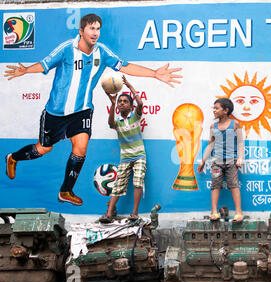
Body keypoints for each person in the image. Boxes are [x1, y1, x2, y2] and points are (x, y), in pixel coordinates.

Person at [4, 13, 181, 206]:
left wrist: (155, 74)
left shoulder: (102, 52)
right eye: (91, 29)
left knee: (80, 147)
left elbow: (126, 67)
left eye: (98, 29)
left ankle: (66, 190)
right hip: (56, 113)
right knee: (43, 148)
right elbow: (44, 64)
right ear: (81, 31)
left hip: (83, 110)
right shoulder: (66, 49)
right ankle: (13, 157)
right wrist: (26, 70)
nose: (95, 33)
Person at [99, 76, 145, 223]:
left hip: (139, 156)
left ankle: (135, 212)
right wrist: (112, 104)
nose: (122, 103)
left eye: (125, 101)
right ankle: (109, 213)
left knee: (138, 182)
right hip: (125, 158)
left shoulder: (135, 117)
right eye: (120, 101)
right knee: (118, 184)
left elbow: (141, 103)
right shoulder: (117, 122)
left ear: (130, 106)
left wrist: (130, 86)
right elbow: (110, 122)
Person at [197, 98, 245, 222]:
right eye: (214, 108)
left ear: (226, 110)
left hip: (232, 161)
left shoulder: (235, 124)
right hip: (217, 162)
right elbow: (211, 144)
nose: (214, 110)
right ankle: (214, 212)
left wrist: (240, 158)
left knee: (234, 185)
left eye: (216, 108)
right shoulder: (213, 126)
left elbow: (240, 143)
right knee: (215, 185)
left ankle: (239, 212)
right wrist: (203, 161)